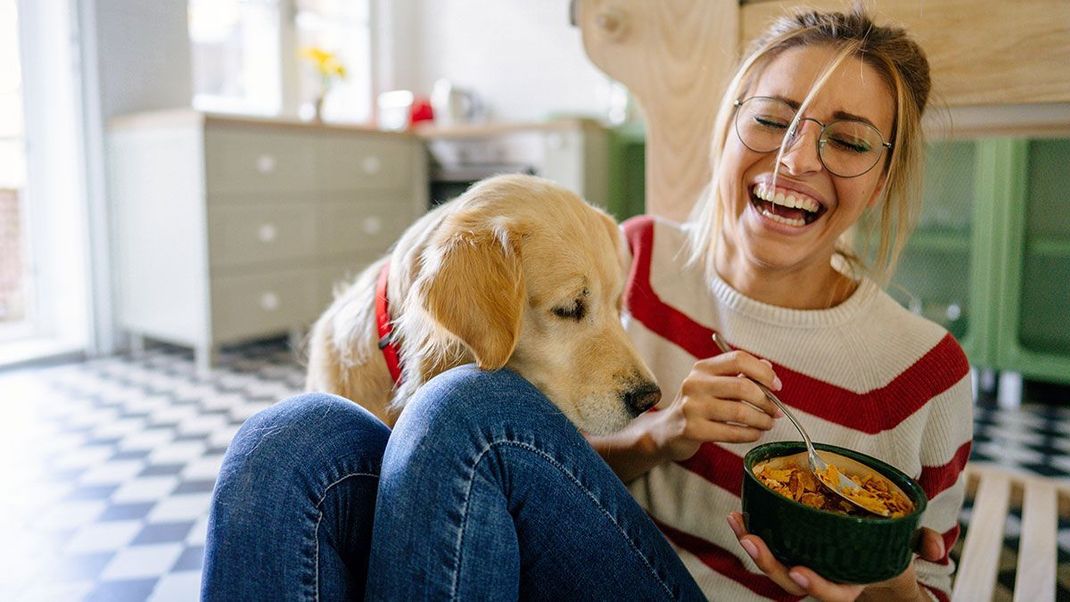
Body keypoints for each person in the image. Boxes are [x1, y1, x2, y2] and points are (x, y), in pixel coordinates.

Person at [202, 6, 972, 601]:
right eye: (772, 118)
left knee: (464, 405)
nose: (797, 158)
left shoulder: (925, 373)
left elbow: (925, 589)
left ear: (885, 173)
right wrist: (656, 437)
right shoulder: (626, 254)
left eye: (849, 139)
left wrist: (879, 581)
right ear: (729, 124)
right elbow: (533, 472)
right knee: (288, 439)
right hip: (544, 566)